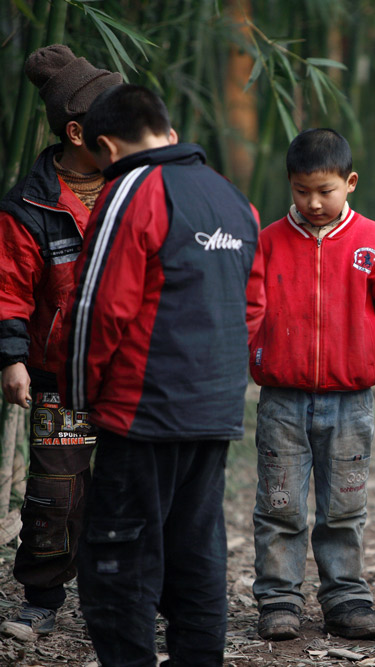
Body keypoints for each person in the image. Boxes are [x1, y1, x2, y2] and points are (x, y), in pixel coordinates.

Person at [62, 84, 264, 665]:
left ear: (104, 146)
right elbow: (253, 306)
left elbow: (100, 305)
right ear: (169, 133)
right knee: (195, 553)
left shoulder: (130, 190)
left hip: (142, 411)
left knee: (117, 559)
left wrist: (80, 396)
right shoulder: (234, 200)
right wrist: (218, 379)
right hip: (214, 410)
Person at [250, 128, 375, 641]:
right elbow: (250, 311)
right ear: (289, 185)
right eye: (302, 191)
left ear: (351, 182)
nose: (314, 202)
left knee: (345, 504)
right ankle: (279, 599)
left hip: (350, 401)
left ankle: (346, 597)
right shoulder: (269, 242)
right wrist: (263, 356)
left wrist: (363, 360)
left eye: (326, 190)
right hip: (282, 398)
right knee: (280, 503)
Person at [0, 44, 122, 641]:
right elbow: (9, 288)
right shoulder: (30, 205)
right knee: (56, 490)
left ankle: (128, 592)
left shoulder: (142, 187)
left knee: (131, 488)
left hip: (130, 376)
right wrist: (13, 358)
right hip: (58, 379)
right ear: (77, 131)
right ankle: (43, 595)